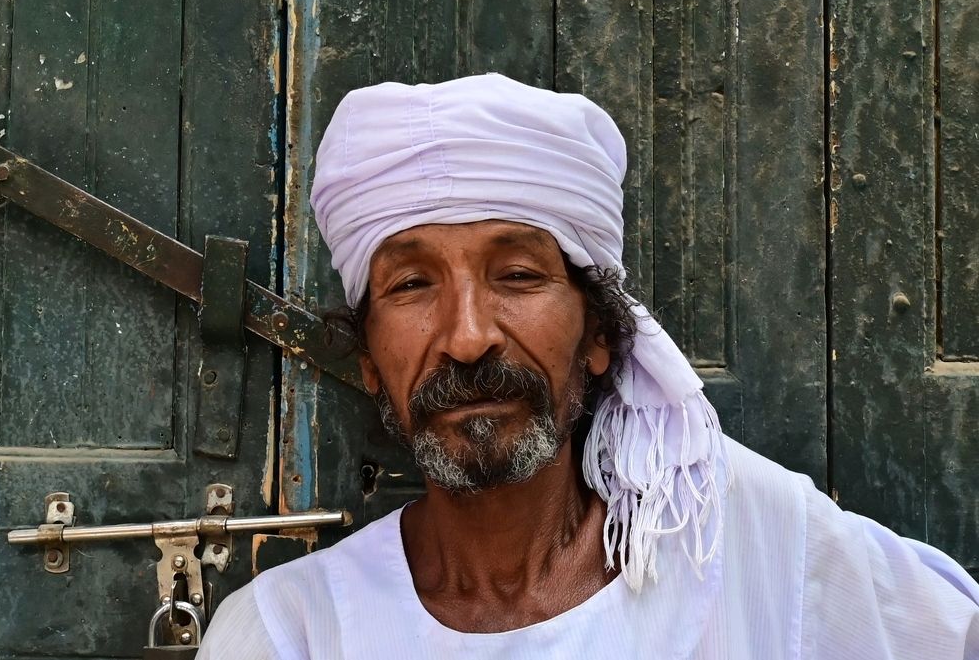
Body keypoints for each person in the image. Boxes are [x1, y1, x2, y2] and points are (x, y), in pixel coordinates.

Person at [197, 74, 979, 659]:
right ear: (369, 360)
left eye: (518, 275)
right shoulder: (288, 633)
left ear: (601, 335)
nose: (468, 337)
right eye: (412, 284)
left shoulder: (756, 547)